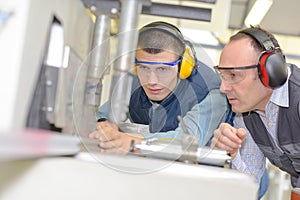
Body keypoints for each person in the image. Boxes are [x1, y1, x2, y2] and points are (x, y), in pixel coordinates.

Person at [89, 21, 232, 154]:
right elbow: (102, 115)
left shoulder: (211, 92)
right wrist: (105, 126)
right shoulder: (134, 81)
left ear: (183, 66)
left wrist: (132, 142)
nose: (152, 81)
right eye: (144, 67)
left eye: (163, 69)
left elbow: (187, 142)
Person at [211, 26, 300, 199]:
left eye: (234, 76)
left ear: (270, 70)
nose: (223, 88)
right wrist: (232, 154)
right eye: (223, 75)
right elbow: (251, 186)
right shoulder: (246, 114)